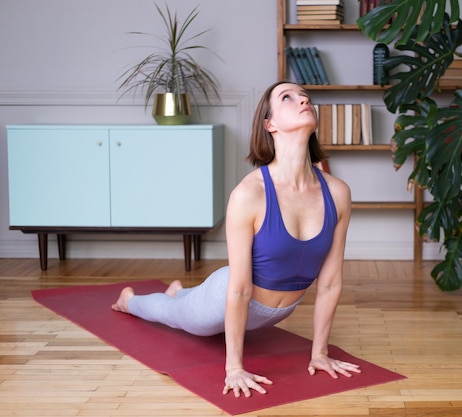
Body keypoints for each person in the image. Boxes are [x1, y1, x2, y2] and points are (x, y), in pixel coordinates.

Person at [111, 81, 360, 398]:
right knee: (174, 316)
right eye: (287, 97)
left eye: (305, 97)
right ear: (269, 124)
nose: (302, 101)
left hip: (277, 311)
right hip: (226, 295)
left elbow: (330, 282)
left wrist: (319, 353)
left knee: (182, 301)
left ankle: (180, 291)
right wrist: (234, 368)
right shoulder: (249, 194)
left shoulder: (337, 192)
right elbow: (240, 287)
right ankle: (130, 301)